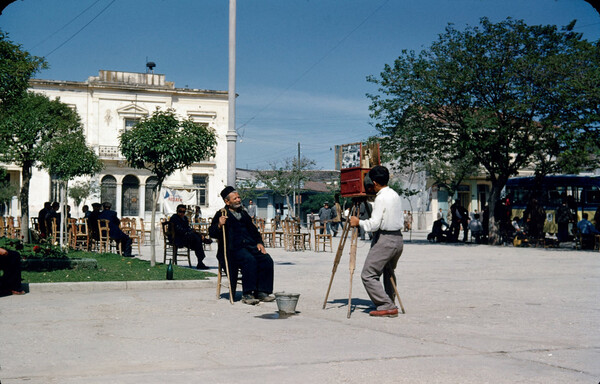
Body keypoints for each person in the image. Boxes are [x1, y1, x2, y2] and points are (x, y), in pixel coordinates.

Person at [350, 165, 403, 318]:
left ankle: (386, 305)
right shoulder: (394, 194)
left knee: (368, 274)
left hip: (385, 239)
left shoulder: (381, 197)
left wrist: (358, 222)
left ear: (374, 183)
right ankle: (389, 301)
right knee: (388, 272)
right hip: (398, 239)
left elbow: (374, 225)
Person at [209, 186, 275, 305]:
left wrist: (260, 243)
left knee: (266, 259)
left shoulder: (243, 213)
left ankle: (262, 292)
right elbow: (212, 233)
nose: (239, 200)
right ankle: (248, 294)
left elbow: (254, 231)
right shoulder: (221, 213)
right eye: (235, 198)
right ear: (227, 201)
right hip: (232, 249)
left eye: (239, 197)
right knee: (249, 260)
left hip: (249, 247)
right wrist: (219, 224)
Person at [169, 204, 211, 270]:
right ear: (177, 211)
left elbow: (187, 228)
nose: (181, 213)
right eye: (180, 211)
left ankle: (200, 261)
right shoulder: (174, 218)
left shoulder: (185, 218)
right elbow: (179, 230)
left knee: (197, 240)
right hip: (177, 239)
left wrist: (191, 231)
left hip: (185, 238)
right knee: (197, 239)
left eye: (183, 212)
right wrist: (189, 231)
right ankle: (200, 261)